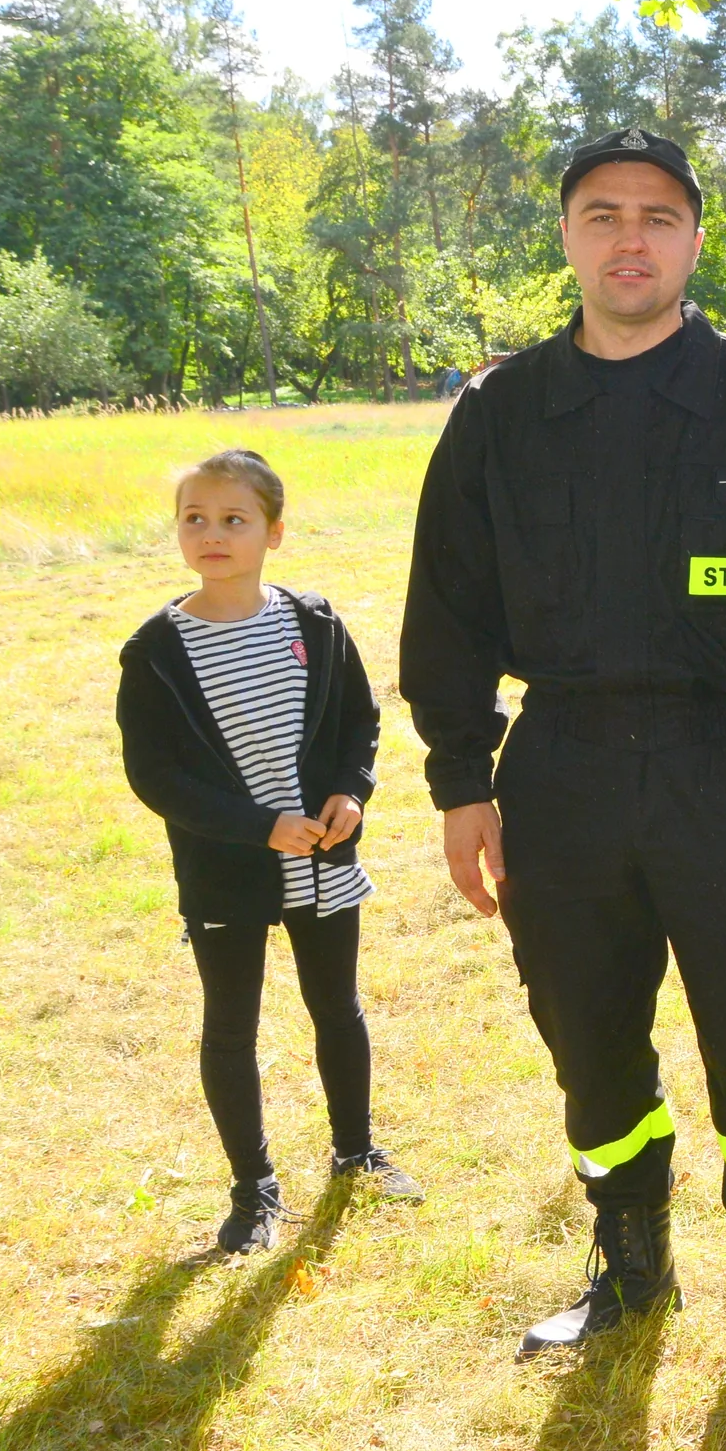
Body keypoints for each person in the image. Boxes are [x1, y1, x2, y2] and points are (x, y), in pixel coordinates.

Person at [402, 127, 726, 1369]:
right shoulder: (500, 413)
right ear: (566, 236)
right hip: (556, 769)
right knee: (580, 1019)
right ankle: (629, 1260)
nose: (631, 237)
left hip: (723, 764)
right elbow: (446, 607)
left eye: (658, 216)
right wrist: (462, 781)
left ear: (694, 241)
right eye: (603, 214)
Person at [118, 450, 421, 1256]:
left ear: (273, 533)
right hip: (229, 870)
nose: (212, 534)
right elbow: (155, 776)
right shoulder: (154, 650)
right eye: (195, 518)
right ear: (178, 531)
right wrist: (258, 826)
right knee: (231, 1028)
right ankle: (253, 1190)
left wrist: (354, 792)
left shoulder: (314, 622)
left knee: (339, 1010)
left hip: (323, 863)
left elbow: (359, 722)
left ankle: (355, 1152)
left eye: (233, 519)